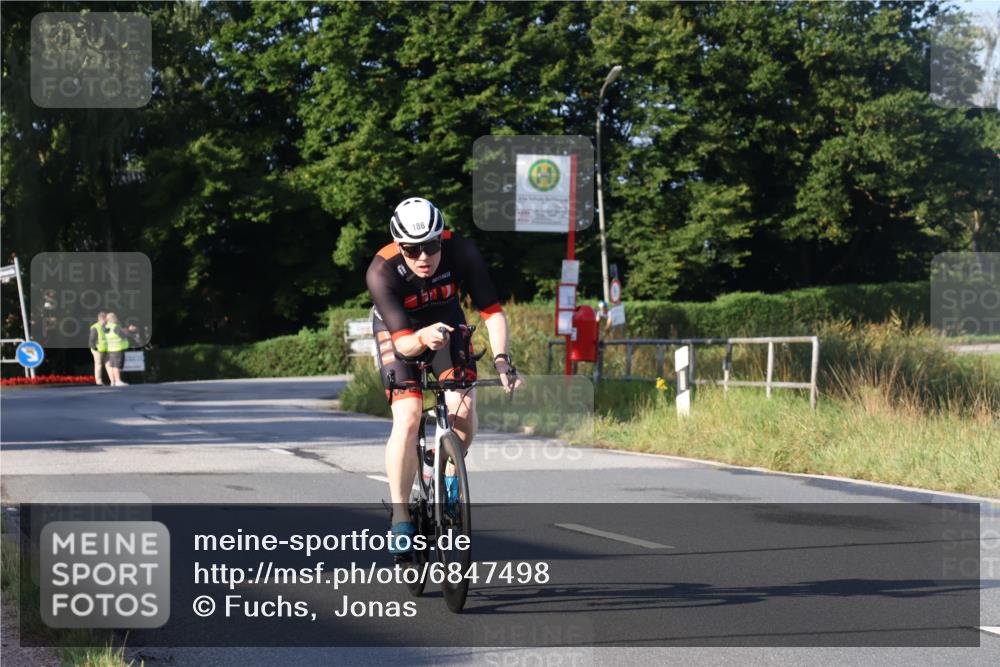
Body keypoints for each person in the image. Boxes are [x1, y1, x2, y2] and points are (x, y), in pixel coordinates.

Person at [366, 197, 524, 554]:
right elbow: (404, 345)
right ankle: (401, 518)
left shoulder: (462, 251)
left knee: (463, 411)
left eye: (432, 246)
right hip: (400, 333)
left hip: (447, 325)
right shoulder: (381, 271)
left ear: (443, 238)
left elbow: (492, 312)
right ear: (398, 245)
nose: (424, 257)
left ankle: (449, 474)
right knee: (408, 417)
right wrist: (422, 337)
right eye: (412, 249)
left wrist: (502, 360)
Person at [103, 313, 138, 387]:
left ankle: (114, 381)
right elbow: (123, 335)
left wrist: (125, 330)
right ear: (113, 318)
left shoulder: (106, 327)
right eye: (115, 317)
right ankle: (118, 381)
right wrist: (130, 331)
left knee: (113, 365)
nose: (116, 318)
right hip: (117, 348)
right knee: (116, 365)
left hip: (111, 348)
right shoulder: (115, 326)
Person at [88, 312, 110, 385]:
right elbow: (91, 340)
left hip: (106, 349)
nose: (107, 321)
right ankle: (99, 381)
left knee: (109, 365)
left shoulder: (107, 326)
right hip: (98, 350)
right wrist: (95, 349)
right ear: (102, 318)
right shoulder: (95, 327)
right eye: (106, 319)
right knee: (99, 365)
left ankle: (113, 380)